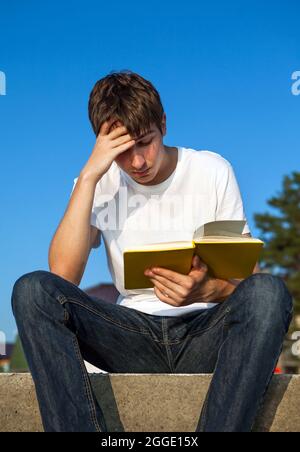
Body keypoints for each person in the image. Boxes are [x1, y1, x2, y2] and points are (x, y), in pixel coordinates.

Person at [11, 70, 293, 432]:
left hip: (204, 333)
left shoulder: (211, 171)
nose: (137, 163)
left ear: (163, 123)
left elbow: (248, 285)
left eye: (144, 142)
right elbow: (62, 277)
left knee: (270, 291)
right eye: (122, 151)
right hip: (128, 337)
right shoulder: (98, 183)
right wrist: (89, 177)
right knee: (32, 290)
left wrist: (207, 290)